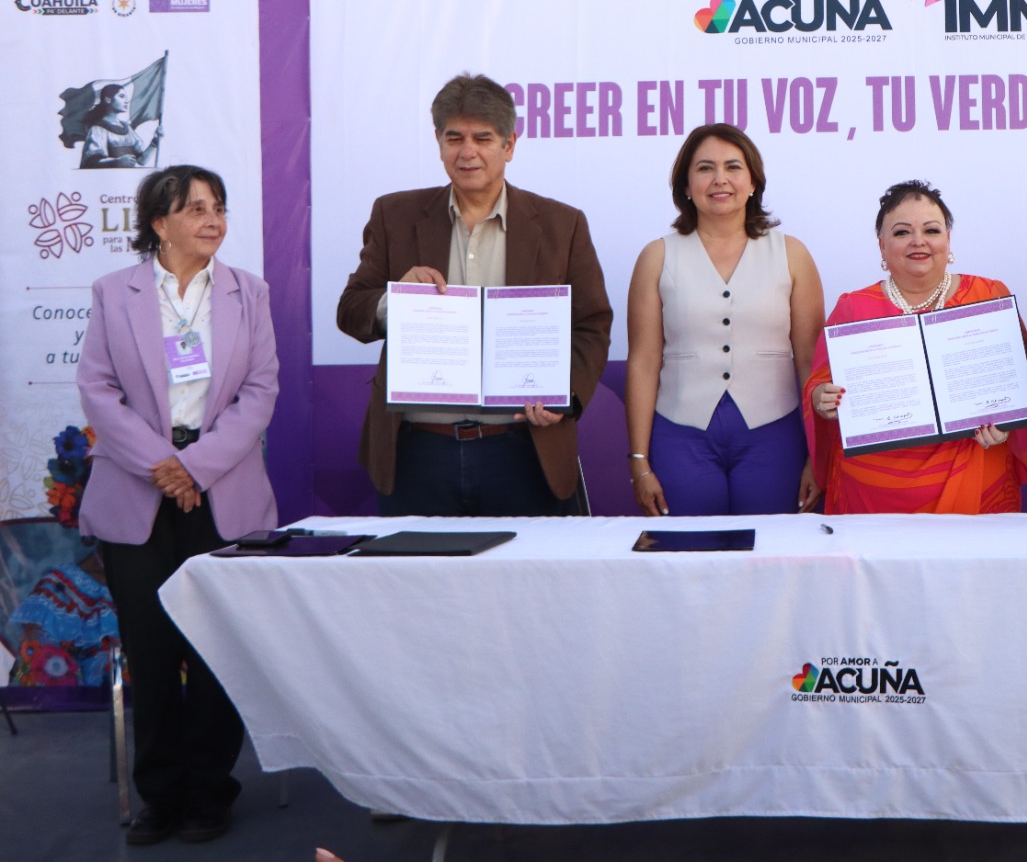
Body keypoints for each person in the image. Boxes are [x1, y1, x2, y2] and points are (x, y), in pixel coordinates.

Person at [75, 165, 279, 845]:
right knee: (152, 648)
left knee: (218, 646)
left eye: (218, 207)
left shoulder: (249, 292)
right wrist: (161, 467)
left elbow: (260, 392)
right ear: (159, 224)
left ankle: (210, 792)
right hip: (138, 490)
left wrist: (193, 466)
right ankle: (159, 794)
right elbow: (98, 390)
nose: (212, 219)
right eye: (195, 209)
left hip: (222, 490)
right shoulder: (114, 292)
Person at [337, 74, 612, 516]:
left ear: (509, 145)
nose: (467, 152)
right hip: (419, 452)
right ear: (438, 142)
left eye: (483, 138)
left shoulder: (562, 225)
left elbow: (591, 325)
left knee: (530, 565)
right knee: (415, 564)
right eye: (455, 138)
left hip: (524, 450)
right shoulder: (395, 215)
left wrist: (565, 396)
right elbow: (351, 310)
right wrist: (396, 300)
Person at [625, 124, 824, 515]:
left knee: (775, 546)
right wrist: (639, 462)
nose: (720, 179)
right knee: (689, 547)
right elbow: (644, 363)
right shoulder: (656, 257)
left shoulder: (792, 254)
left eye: (733, 167)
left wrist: (817, 454)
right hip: (680, 436)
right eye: (705, 168)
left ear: (753, 182)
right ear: (686, 185)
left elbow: (810, 362)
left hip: (776, 434)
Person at [805, 180, 1027, 513]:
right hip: (873, 489)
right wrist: (821, 398)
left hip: (974, 476)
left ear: (948, 239)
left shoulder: (988, 296)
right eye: (902, 232)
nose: (919, 241)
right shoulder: (853, 308)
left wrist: (1005, 426)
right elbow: (818, 384)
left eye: (931, 230)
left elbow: (1020, 383)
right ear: (882, 245)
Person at [80, 83, 161, 169]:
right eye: (121, 96)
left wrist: (155, 141)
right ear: (108, 99)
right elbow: (92, 163)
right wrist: (117, 162)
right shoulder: (98, 129)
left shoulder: (127, 128)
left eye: (125, 97)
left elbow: (141, 160)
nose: (126, 101)